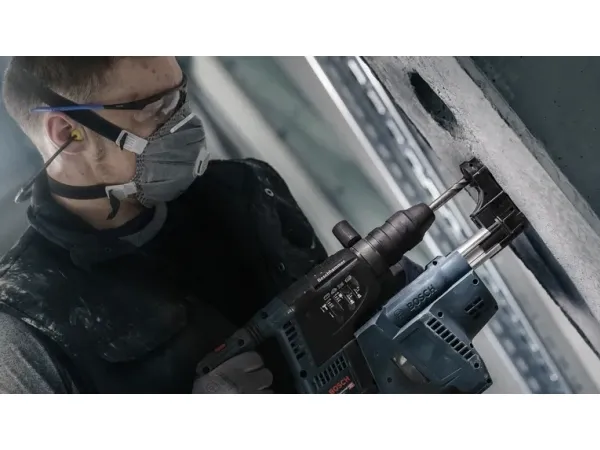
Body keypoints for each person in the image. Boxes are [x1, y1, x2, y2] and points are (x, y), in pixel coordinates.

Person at [0, 57, 421, 394]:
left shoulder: (248, 188)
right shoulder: (25, 321)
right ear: (67, 133)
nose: (184, 122)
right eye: (156, 108)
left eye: (181, 96)